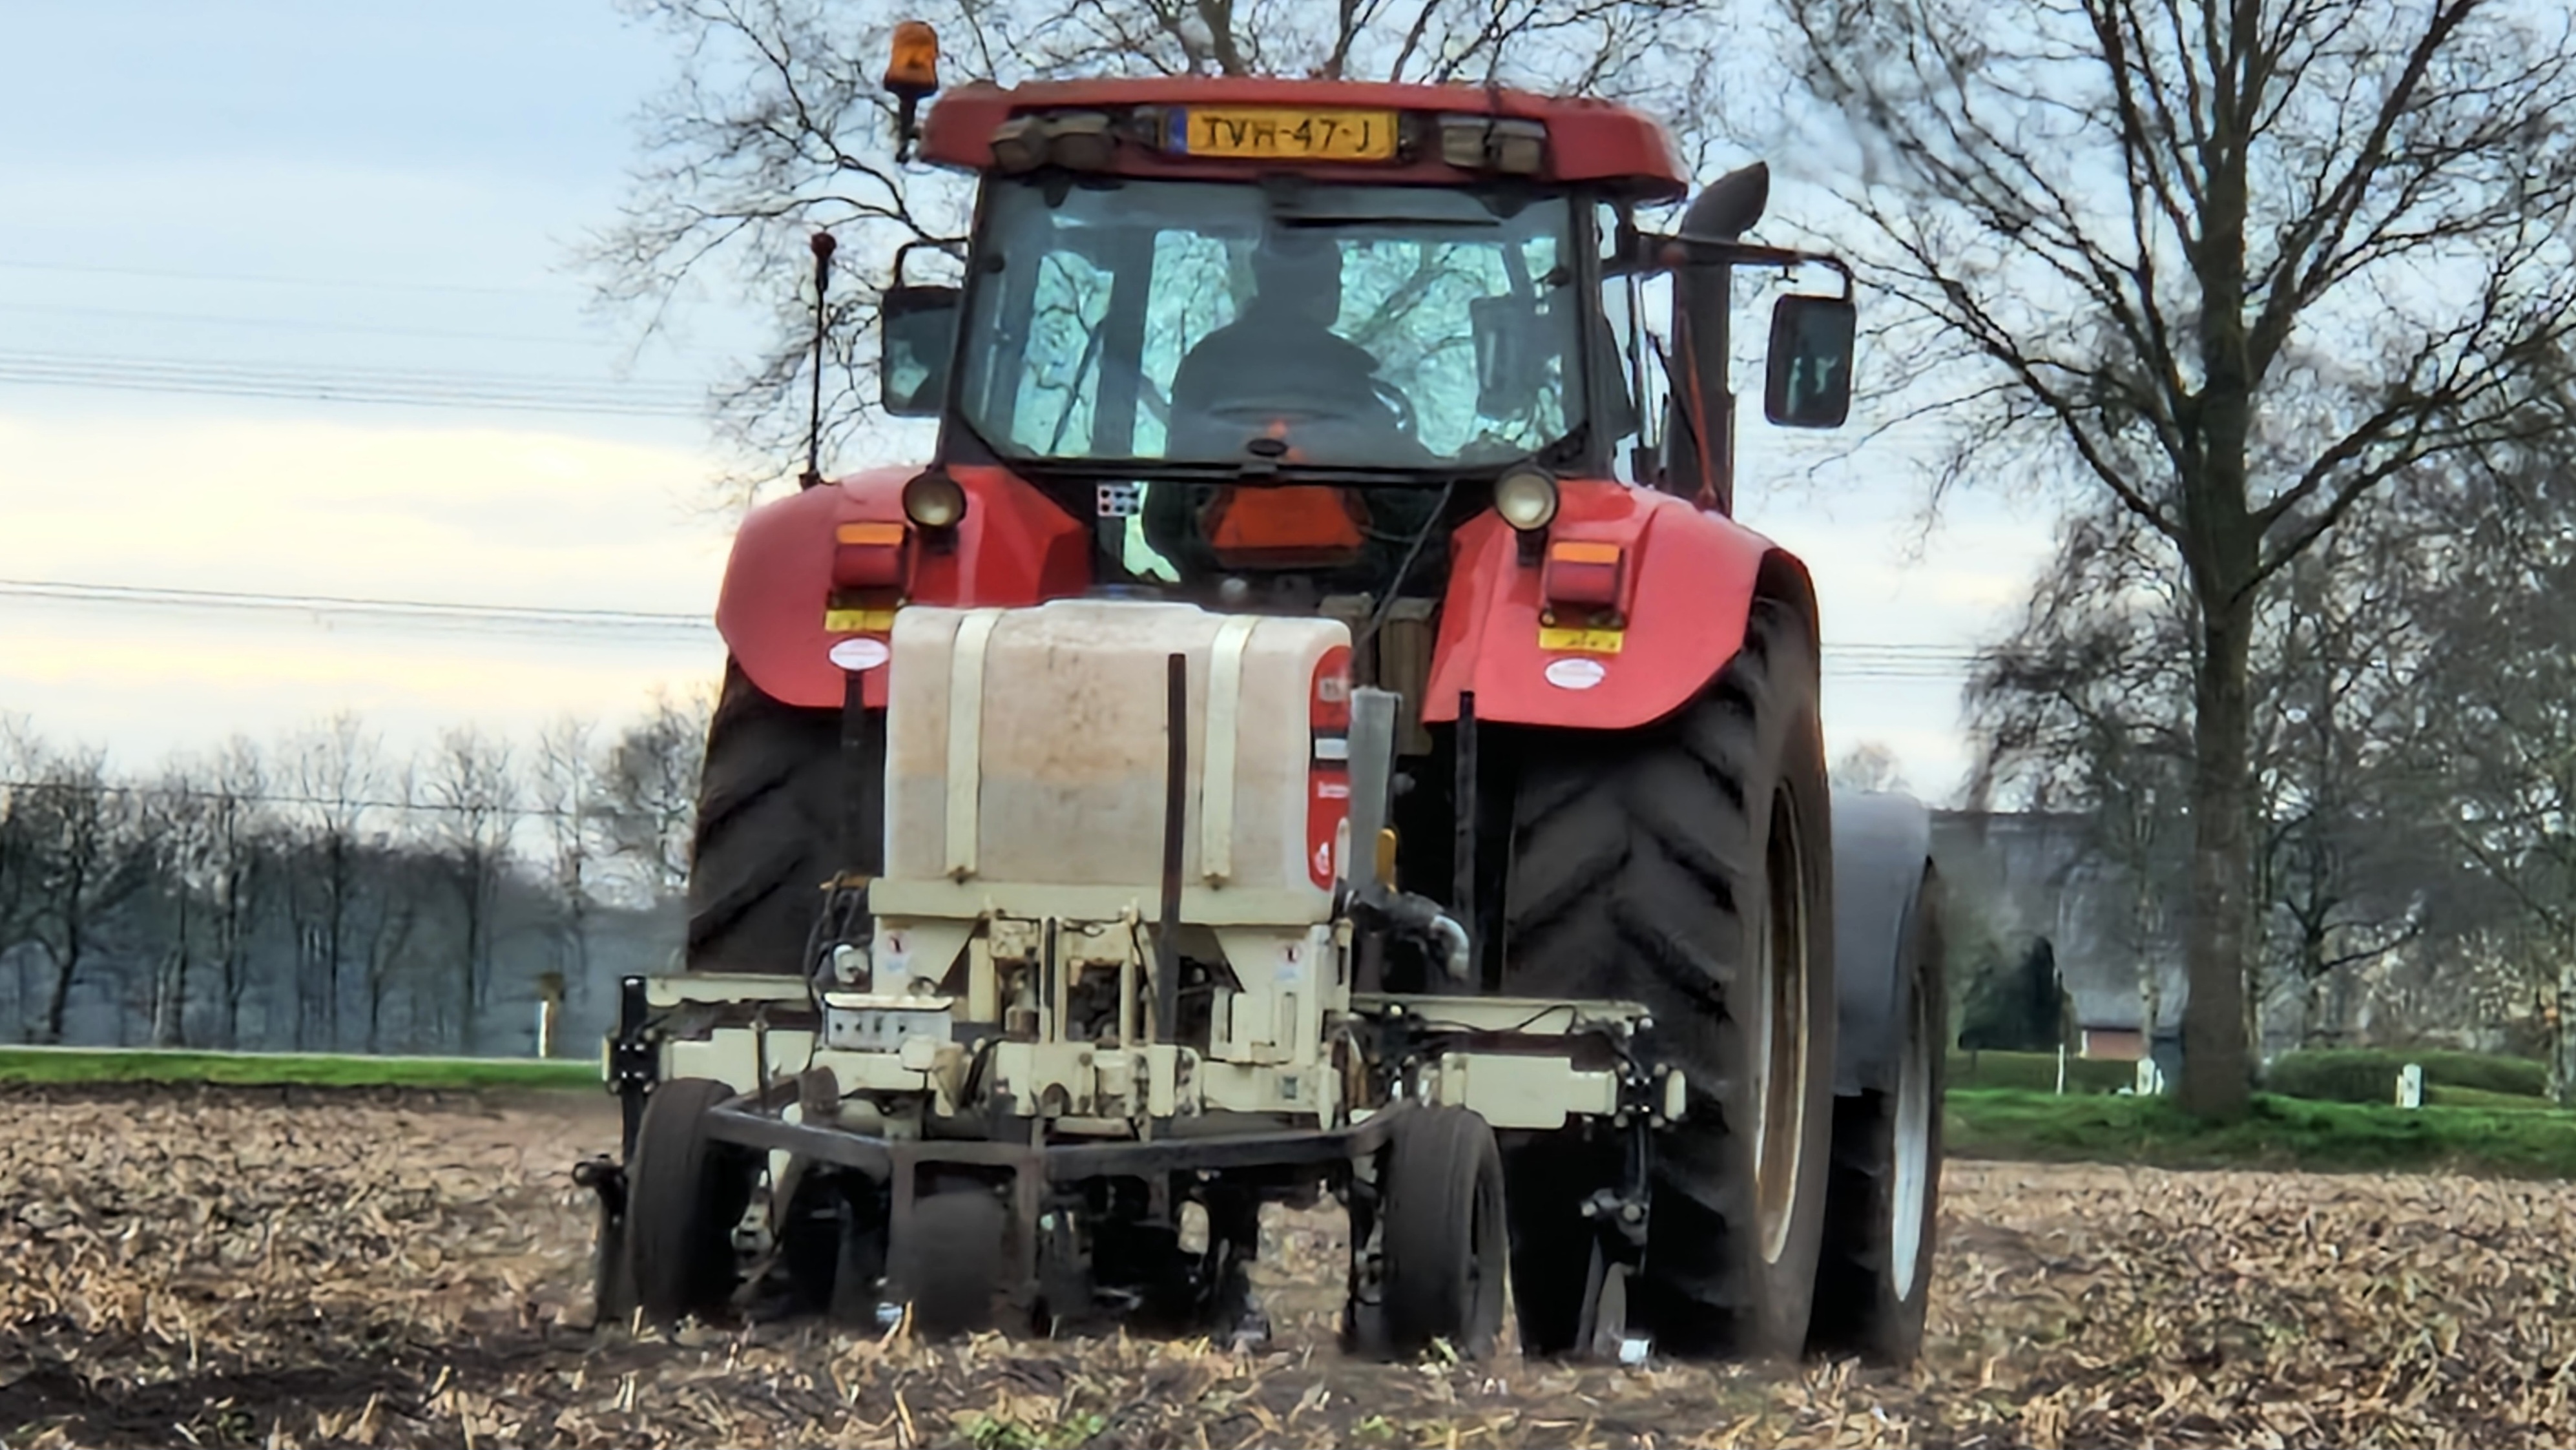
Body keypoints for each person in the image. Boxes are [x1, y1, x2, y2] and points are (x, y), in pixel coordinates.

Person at [1163, 229, 1395, 457]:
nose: (1340, 290)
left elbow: (1178, 470)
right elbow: (1387, 454)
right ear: (1317, 286)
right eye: (1334, 277)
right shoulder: (1339, 370)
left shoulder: (1206, 360)